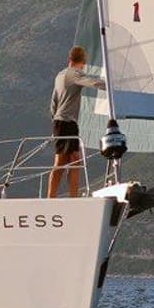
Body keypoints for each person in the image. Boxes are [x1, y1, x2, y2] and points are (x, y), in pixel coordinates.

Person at [47, 46, 105, 199]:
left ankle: (59, 197)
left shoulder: (60, 75)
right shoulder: (75, 74)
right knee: (65, 161)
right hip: (67, 122)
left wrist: (55, 120)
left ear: (69, 59)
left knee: (71, 159)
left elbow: (53, 102)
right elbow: (92, 83)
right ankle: (67, 197)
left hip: (61, 122)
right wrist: (112, 86)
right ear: (83, 61)